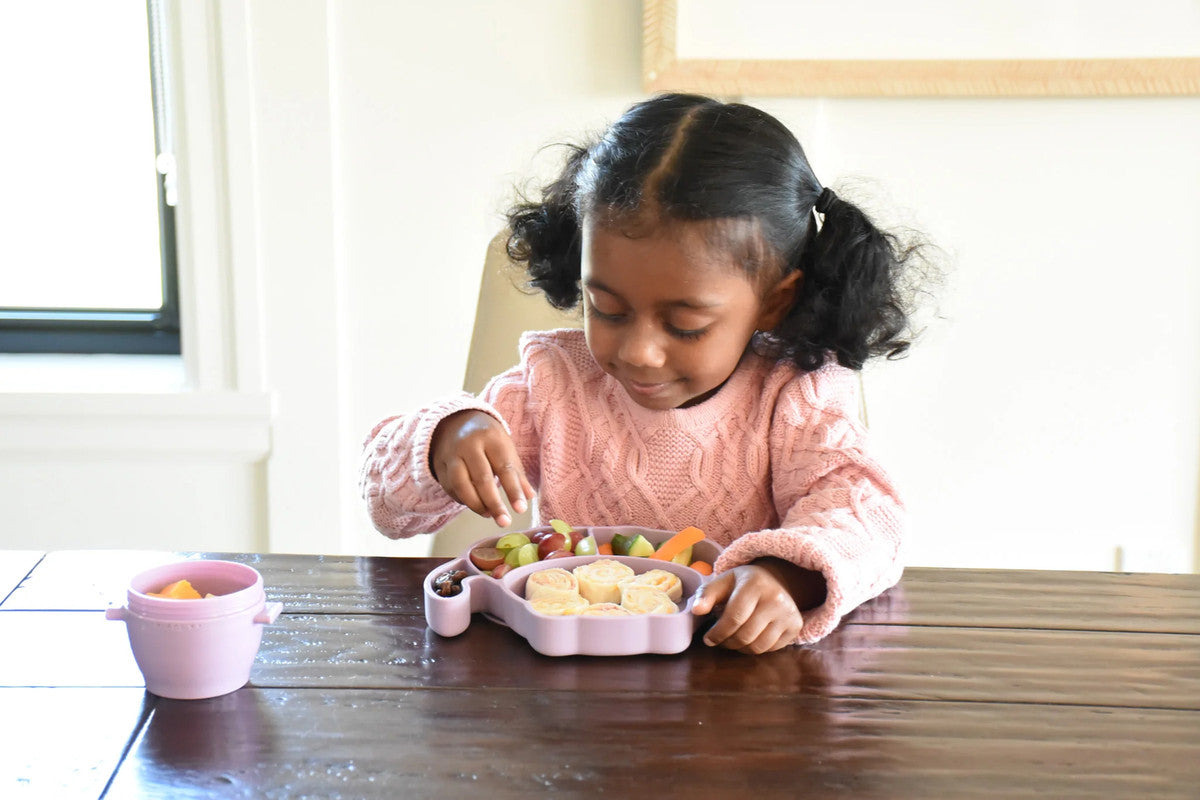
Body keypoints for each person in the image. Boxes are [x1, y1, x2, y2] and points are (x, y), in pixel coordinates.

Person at [360, 93, 932, 653]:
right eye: (606, 309)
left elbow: (870, 518)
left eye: (684, 324)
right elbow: (389, 510)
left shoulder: (795, 395)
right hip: (570, 684)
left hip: (732, 690)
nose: (638, 352)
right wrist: (444, 436)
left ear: (775, 302)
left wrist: (788, 577)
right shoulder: (555, 383)